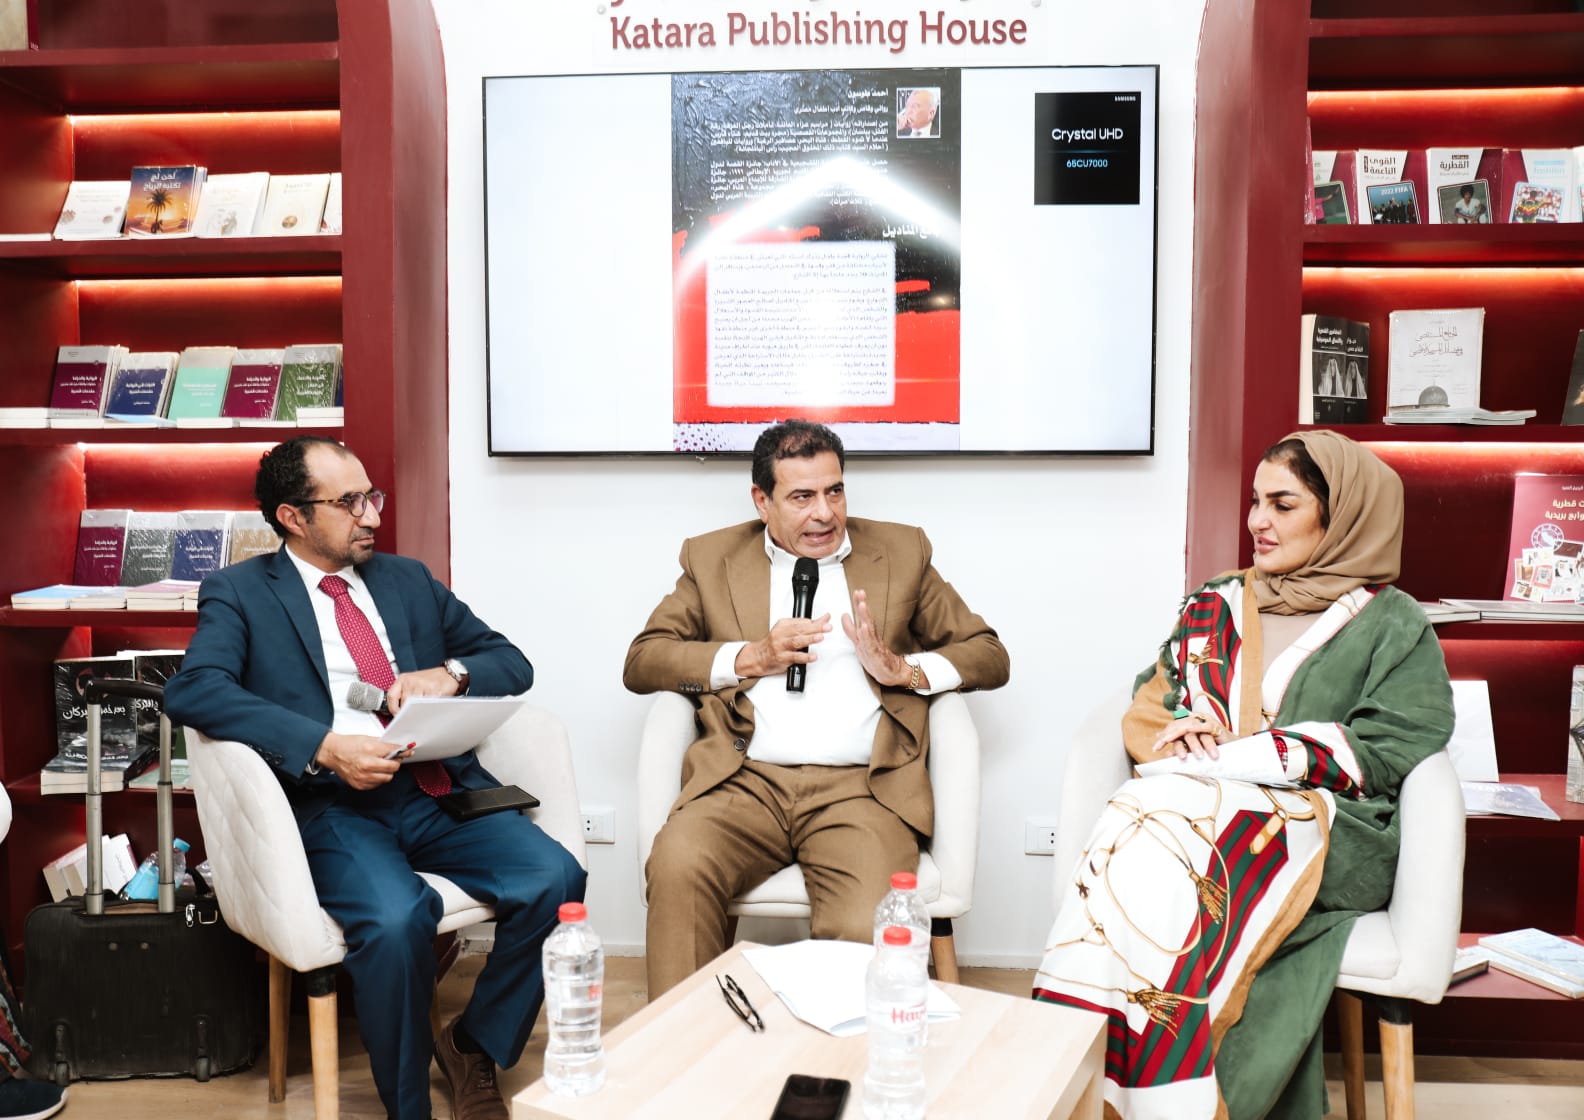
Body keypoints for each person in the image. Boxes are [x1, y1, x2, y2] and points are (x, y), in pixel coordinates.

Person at [1034, 430, 1453, 1120]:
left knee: (1154, 827)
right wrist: (1183, 732)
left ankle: (1160, 1098)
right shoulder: (1217, 600)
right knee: (1139, 817)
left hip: (1328, 831)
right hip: (1190, 813)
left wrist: (1255, 754)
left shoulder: (1392, 622)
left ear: (1340, 515)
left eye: (1282, 505)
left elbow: (1398, 739)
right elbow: (1152, 700)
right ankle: (1077, 1077)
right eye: (1256, 502)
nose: (1258, 521)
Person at [165, 437, 584, 1120]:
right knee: (395, 919)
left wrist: (450, 675)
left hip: (433, 790)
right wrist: (324, 748)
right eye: (351, 502)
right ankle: (407, 1107)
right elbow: (195, 690)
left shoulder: (405, 579)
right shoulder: (240, 593)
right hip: (331, 805)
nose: (372, 516)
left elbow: (510, 661)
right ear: (293, 517)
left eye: (372, 497)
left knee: (556, 878)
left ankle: (472, 1045)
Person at [625, 420, 1009, 997]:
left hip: (862, 789)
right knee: (678, 865)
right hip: (743, 782)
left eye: (835, 491)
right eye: (801, 497)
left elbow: (989, 655)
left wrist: (902, 670)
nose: (824, 514)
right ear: (762, 501)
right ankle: (683, 1042)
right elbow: (644, 660)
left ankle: (838, 1052)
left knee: (862, 929)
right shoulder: (711, 559)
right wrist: (750, 656)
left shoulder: (901, 552)